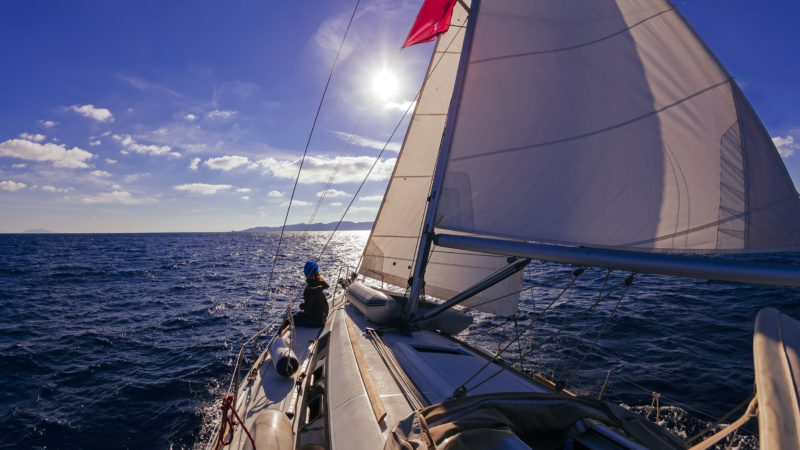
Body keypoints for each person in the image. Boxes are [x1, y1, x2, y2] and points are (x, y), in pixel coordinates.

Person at [293, 261, 329, 327]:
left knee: (290, 319)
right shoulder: (320, 284)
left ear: (307, 274)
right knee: (298, 314)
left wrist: (301, 306)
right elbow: (327, 286)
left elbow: (307, 307)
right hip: (323, 318)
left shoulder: (309, 289)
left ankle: (279, 337)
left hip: (315, 322)